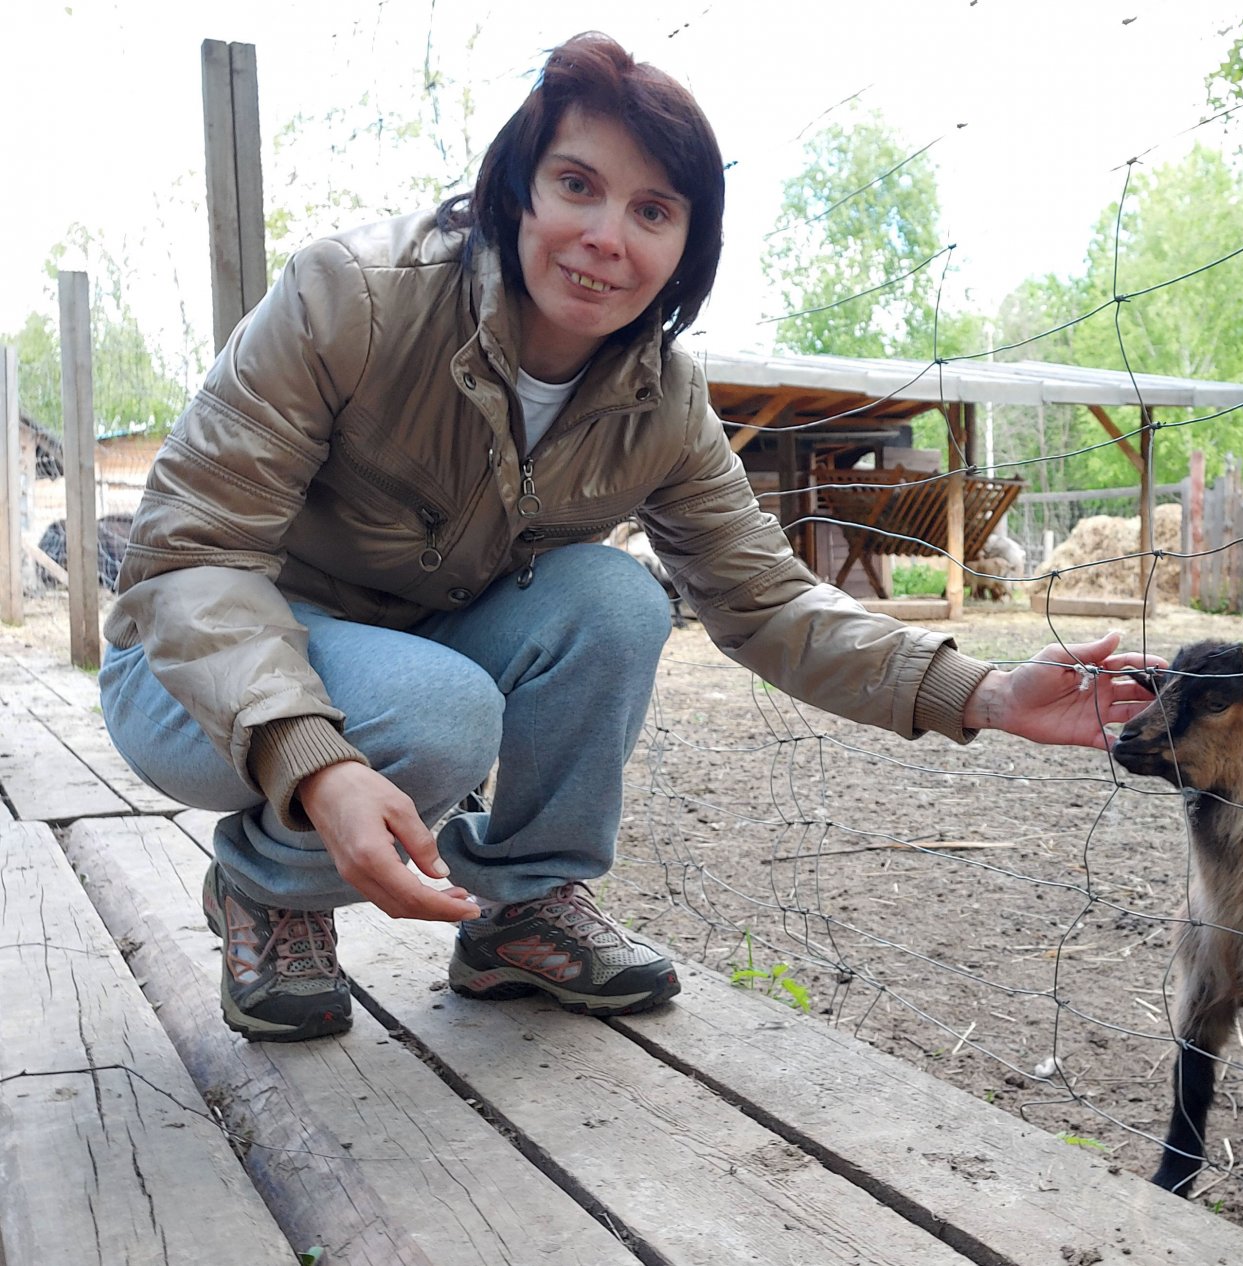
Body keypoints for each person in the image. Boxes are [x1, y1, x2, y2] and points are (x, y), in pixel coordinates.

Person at [100, 32, 1163, 1044]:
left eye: (651, 209)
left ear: (685, 246)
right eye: (577, 185)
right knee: (439, 706)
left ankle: (517, 911)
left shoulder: (660, 402)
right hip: (197, 665)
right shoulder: (354, 297)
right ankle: (269, 889)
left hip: (412, 652)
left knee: (614, 596)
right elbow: (190, 555)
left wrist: (980, 691)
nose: (607, 236)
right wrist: (313, 759)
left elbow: (766, 600)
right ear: (517, 187)